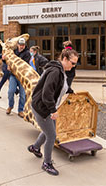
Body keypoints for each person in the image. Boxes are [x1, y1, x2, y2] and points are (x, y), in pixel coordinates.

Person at [27, 48, 78, 176]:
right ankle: (47, 163)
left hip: (46, 107)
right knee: (51, 136)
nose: (74, 66)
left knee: (49, 131)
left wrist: (70, 91)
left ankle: (35, 147)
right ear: (65, 59)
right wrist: (52, 110)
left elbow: (60, 86)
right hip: (42, 108)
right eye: (72, 63)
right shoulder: (55, 71)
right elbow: (46, 94)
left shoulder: (61, 70)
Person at [6, 38, 31, 117]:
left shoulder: (27, 53)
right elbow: (9, 60)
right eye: (20, 45)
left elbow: (24, 64)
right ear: (17, 45)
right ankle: (10, 106)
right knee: (11, 91)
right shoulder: (14, 52)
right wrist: (8, 65)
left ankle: (20, 110)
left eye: (23, 45)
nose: (21, 46)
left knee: (23, 95)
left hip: (22, 77)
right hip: (13, 75)